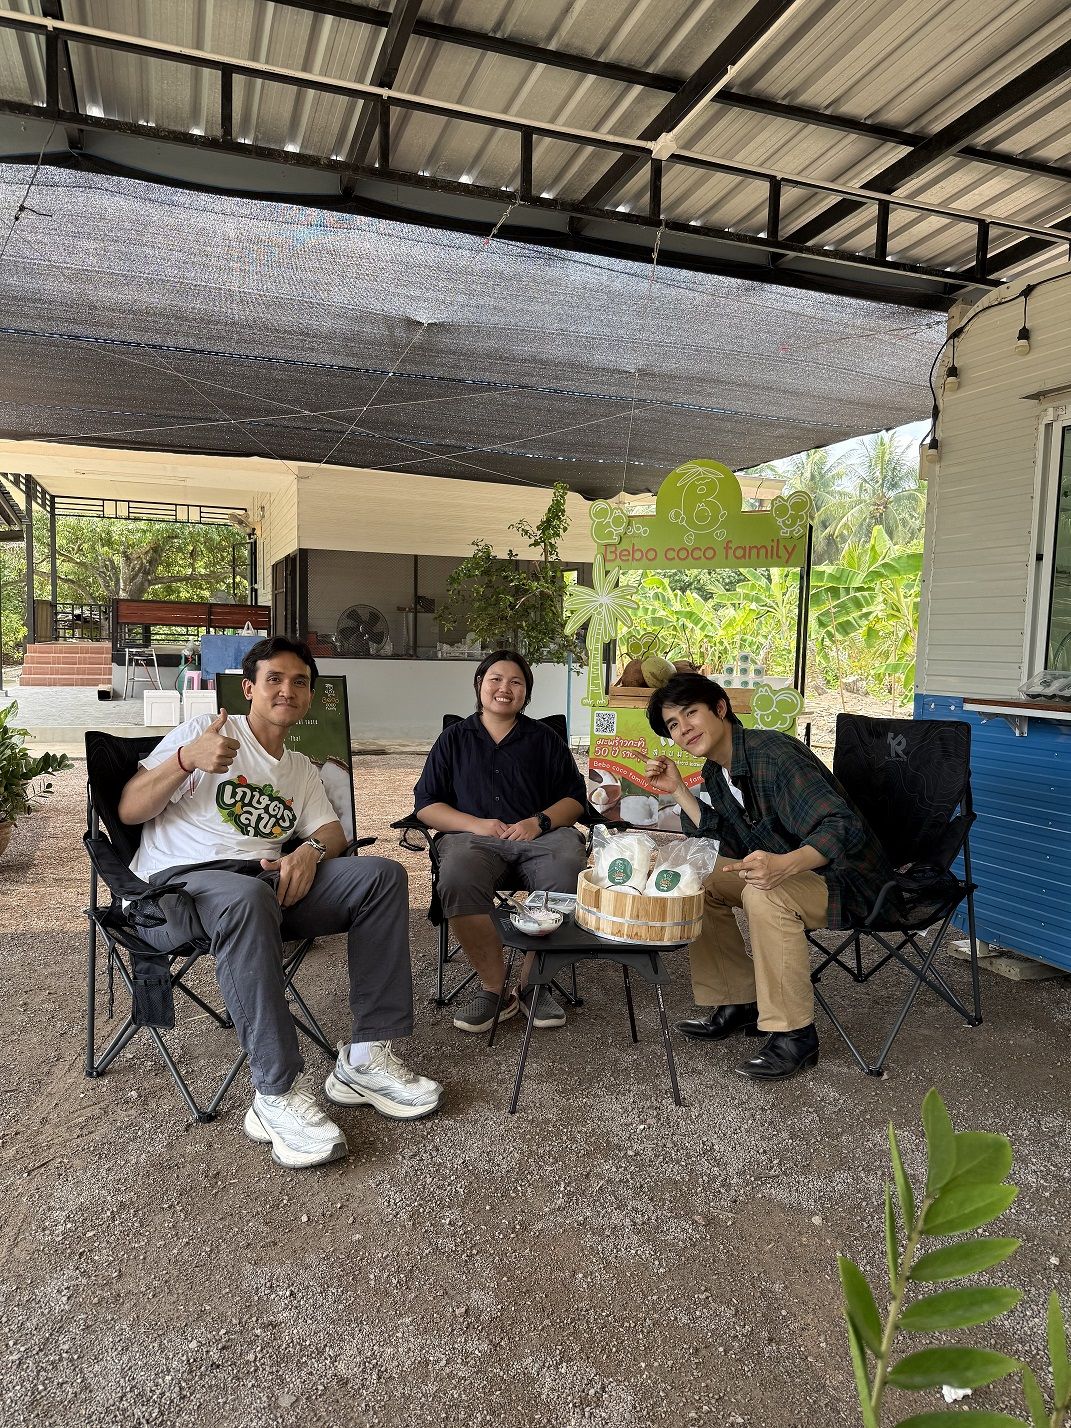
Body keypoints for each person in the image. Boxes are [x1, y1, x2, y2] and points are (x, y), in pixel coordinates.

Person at [120, 635, 441, 1168]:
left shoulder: (300, 768)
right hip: (178, 890)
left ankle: (365, 1059)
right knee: (247, 897)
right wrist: (184, 759)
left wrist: (309, 851)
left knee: (381, 876)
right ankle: (275, 1092)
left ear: (310, 696)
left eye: (299, 682)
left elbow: (331, 831)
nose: (286, 690)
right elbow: (129, 809)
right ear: (249, 688)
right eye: (274, 679)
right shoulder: (204, 734)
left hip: (264, 887)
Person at [644, 672, 892, 1081]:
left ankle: (795, 1035)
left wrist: (783, 865)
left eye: (691, 713)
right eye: (673, 724)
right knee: (699, 878)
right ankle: (739, 1000)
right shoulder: (715, 772)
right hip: (799, 876)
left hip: (850, 881)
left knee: (766, 894)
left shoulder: (773, 754)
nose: (683, 728)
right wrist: (678, 791)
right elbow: (725, 840)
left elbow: (841, 826)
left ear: (720, 708)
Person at [413, 650, 588, 1034]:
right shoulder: (454, 739)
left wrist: (539, 822)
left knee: (566, 867)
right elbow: (426, 804)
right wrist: (475, 824)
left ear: (526, 693)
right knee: (457, 875)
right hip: (472, 839)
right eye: (495, 679)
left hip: (541, 837)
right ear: (479, 684)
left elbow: (576, 798)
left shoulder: (545, 739)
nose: (504, 688)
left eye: (516, 682)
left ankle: (532, 984)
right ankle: (494, 989)